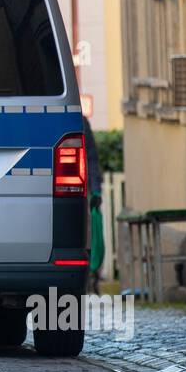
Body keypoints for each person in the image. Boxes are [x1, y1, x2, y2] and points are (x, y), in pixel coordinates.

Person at [84, 116, 105, 295]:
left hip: (81, 192)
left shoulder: (80, 121)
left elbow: (91, 159)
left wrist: (96, 191)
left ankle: (91, 278)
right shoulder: (79, 120)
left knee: (90, 235)